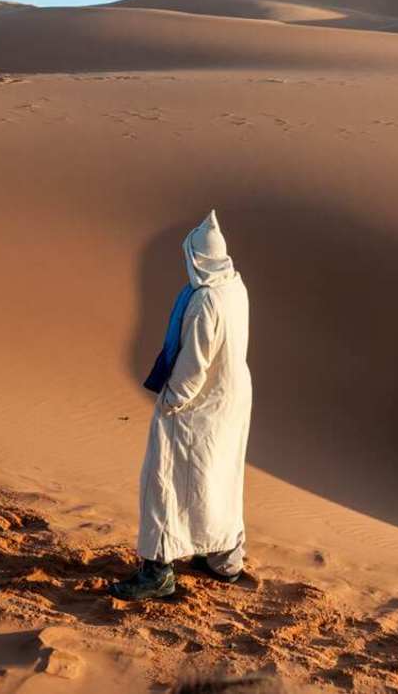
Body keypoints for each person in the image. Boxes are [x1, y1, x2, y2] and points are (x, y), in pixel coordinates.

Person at [110, 211, 252, 601]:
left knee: (165, 480)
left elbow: (194, 363)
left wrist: (171, 402)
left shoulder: (206, 300)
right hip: (230, 398)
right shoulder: (234, 287)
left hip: (200, 403)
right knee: (218, 476)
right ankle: (224, 559)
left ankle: (157, 570)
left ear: (195, 257)